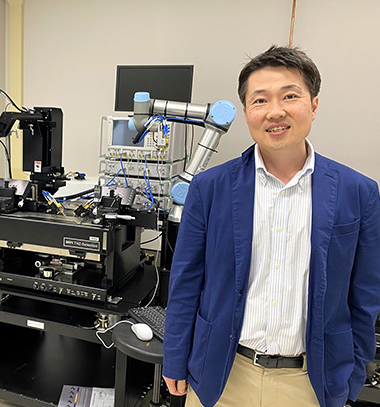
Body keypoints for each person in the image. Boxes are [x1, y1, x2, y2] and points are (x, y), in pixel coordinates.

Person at [162, 45, 380, 407]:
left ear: (313, 105)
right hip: (222, 375)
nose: (275, 111)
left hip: (311, 382)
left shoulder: (359, 192)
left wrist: (353, 372)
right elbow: (185, 283)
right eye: (260, 100)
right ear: (246, 111)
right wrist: (175, 359)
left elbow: (366, 295)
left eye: (290, 96)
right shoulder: (209, 188)